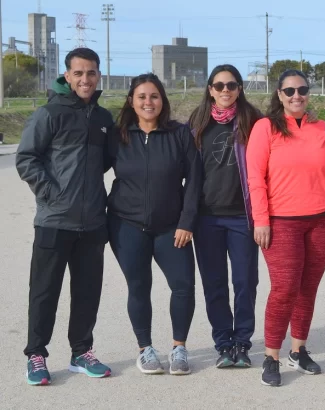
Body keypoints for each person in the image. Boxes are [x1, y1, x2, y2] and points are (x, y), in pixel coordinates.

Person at [16, 47, 114, 386]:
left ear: (98, 75)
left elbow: (104, 164)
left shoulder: (103, 119)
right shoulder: (49, 114)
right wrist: (51, 194)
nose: (85, 79)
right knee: (44, 292)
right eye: (79, 73)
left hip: (92, 225)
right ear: (67, 76)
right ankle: (37, 355)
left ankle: (80, 352)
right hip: (54, 222)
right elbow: (27, 159)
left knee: (87, 292)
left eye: (91, 73)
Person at [247, 69, 325, 387]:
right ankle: (271, 357)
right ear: (279, 95)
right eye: (289, 91)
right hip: (281, 221)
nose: (297, 96)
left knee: (307, 288)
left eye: (302, 90)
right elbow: (254, 178)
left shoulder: (323, 129)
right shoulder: (265, 127)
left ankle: (298, 350)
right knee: (284, 288)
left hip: (324, 219)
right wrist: (261, 219)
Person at [107, 73, 202, 376]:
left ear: (163, 100)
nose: (148, 102)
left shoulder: (179, 134)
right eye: (142, 97)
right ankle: (145, 349)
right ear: (132, 101)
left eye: (154, 96)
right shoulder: (118, 134)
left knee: (184, 286)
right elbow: (91, 170)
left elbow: (195, 180)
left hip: (171, 227)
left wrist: (186, 222)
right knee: (138, 287)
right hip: (126, 224)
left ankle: (179, 348)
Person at [188, 64, 261, 369]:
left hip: (242, 216)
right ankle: (223, 344)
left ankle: (242, 343)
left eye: (231, 85)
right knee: (214, 284)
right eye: (219, 86)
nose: (225, 91)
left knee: (245, 281)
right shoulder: (197, 121)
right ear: (210, 90)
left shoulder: (254, 121)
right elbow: (186, 172)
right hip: (207, 218)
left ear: (240, 88)